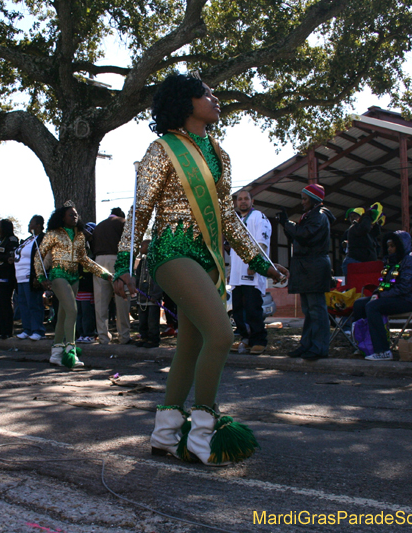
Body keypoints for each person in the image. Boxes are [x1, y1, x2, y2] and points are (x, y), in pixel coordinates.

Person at [113, 72, 286, 466]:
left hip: (206, 257)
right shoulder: (161, 150)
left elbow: (226, 216)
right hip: (171, 251)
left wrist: (263, 262)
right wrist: (125, 265)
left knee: (191, 346)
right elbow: (139, 214)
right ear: (186, 102)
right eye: (206, 93)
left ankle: (165, 434)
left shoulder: (219, 154)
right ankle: (204, 435)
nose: (215, 98)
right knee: (222, 335)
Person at [38, 203, 112, 368]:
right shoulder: (53, 234)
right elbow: (40, 256)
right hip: (58, 275)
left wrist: (106, 274)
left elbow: (85, 261)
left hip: (74, 278)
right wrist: (41, 276)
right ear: (62, 217)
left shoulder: (79, 237)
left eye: (76, 214)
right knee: (73, 310)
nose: (75, 217)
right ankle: (71, 352)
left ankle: (56, 353)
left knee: (63, 316)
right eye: (71, 214)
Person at [276, 183, 335, 360]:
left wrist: (287, 223)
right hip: (308, 267)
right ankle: (308, 344)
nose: (302, 202)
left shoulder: (320, 216)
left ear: (314, 199)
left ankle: (319, 347)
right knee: (309, 310)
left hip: (314, 267)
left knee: (316, 309)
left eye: (304, 198)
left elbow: (305, 235)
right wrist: (288, 226)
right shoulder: (311, 215)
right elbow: (298, 236)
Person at [353, 231, 412, 361]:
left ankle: (382, 350)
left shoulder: (410, 260)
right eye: (388, 246)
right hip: (392, 297)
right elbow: (386, 283)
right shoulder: (391, 261)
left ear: (401, 245)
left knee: (373, 307)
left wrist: (381, 295)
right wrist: (378, 293)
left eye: (393, 246)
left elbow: (405, 288)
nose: (389, 249)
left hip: (407, 299)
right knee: (359, 304)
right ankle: (364, 344)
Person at [229, 190, 273, 355]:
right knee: (238, 311)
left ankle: (259, 340)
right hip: (236, 274)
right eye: (239, 199)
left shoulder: (258, 217)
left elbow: (262, 244)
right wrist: (231, 271)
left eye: (246, 199)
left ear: (252, 200)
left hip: (251, 273)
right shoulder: (235, 221)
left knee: (253, 309)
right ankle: (245, 340)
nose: (242, 202)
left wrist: (254, 264)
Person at [91, 207, 131, 345]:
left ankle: (103, 336)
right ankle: (124, 336)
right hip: (117, 260)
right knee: (122, 299)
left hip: (98, 261)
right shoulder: (123, 222)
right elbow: (128, 244)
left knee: (101, 302)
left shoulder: (99, 226)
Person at [14, 215, 46, 341]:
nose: (28, 225)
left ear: (38, 225)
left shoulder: (42, 239)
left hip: (30, 276)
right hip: (20, 277)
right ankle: (27, 329)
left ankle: (38, 330)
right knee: (23, 304)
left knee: (34, 304)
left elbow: (42, 258)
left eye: (31, 223)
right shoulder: (28, 239)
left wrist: (38, 275)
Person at [0, 219, 18, 339]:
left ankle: (7, 330)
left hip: (6, 275)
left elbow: (10, 257)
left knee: (5, 303)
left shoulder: (12, 239)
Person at [135, 239, 162, 348]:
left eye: (142, 246)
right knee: (142, 320)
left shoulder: (156, 261)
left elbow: (159, 279)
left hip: (152, 297)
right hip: (142, 297)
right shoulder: (142, 261)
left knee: (152, 321)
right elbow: (137, 276)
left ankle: (153, 340)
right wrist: (136, 287)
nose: (140, 248)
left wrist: (156, 295)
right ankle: (144, 337)